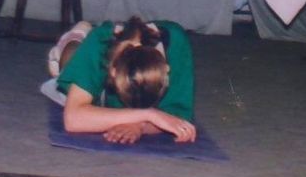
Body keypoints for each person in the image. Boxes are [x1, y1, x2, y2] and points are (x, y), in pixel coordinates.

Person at [47, 16, 196, 145]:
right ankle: (74, 38)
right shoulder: (101, 41)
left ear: (166, 69)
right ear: (112, 72)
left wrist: (139, 125)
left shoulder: (175, 42)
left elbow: (175, 117)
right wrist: (148, 115)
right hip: (88, 53)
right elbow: (73, 120)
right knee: (67, 65)